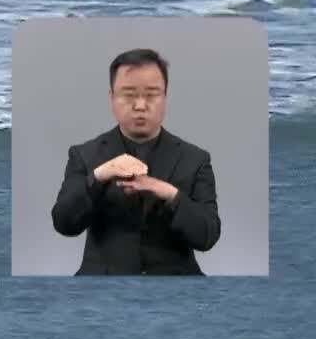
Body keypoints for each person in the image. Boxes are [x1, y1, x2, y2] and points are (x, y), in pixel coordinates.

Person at [50, 47, 221, 274]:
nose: (140, 105)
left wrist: (171, 194)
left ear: (165, 97)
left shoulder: (195, 159)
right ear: (111, 98)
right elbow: (64, 224)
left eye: (151, 95)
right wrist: (99, 176)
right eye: (129, 95)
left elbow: (207, 236)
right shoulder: (85, 155)